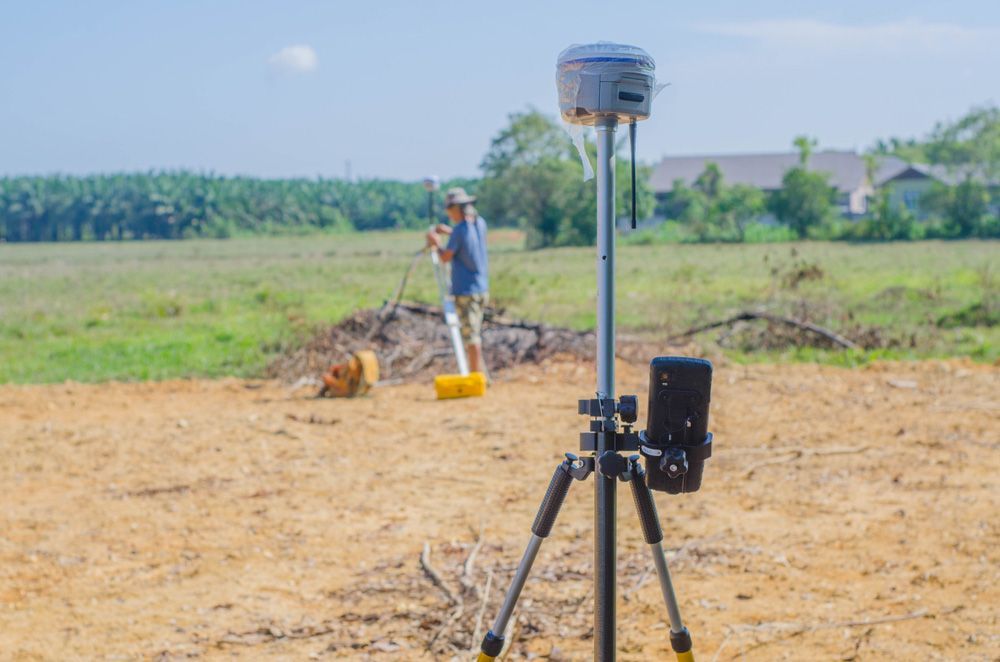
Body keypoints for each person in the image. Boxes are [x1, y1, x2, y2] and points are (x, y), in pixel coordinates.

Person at [426, 187, 490, 377]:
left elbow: (446, 257)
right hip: (481, 288)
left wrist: (435, 244)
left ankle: (475, 377)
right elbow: (465, 236)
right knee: (475, 333)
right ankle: (482, 375)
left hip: (465, 291)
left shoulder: (459, 231)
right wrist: (449, 231)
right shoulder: (480, 224)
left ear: (455, 209)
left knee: (471, 337)